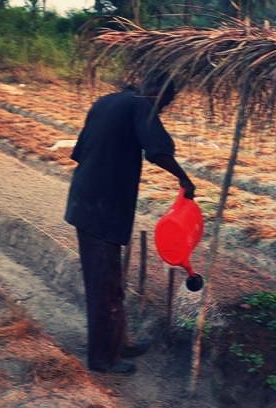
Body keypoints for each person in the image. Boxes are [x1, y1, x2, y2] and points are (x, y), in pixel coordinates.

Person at [65, 74, 196, 375]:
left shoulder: (106, 102)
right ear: (159, 94)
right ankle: (102, 359)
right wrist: (184, 178)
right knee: (103, 287)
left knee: (111, 282)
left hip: (87, 201)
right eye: (165, 103)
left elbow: (80, 152)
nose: (162, 109)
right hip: (101, 208)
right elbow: (158, 150)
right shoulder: (140, 105)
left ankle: (118, 343)